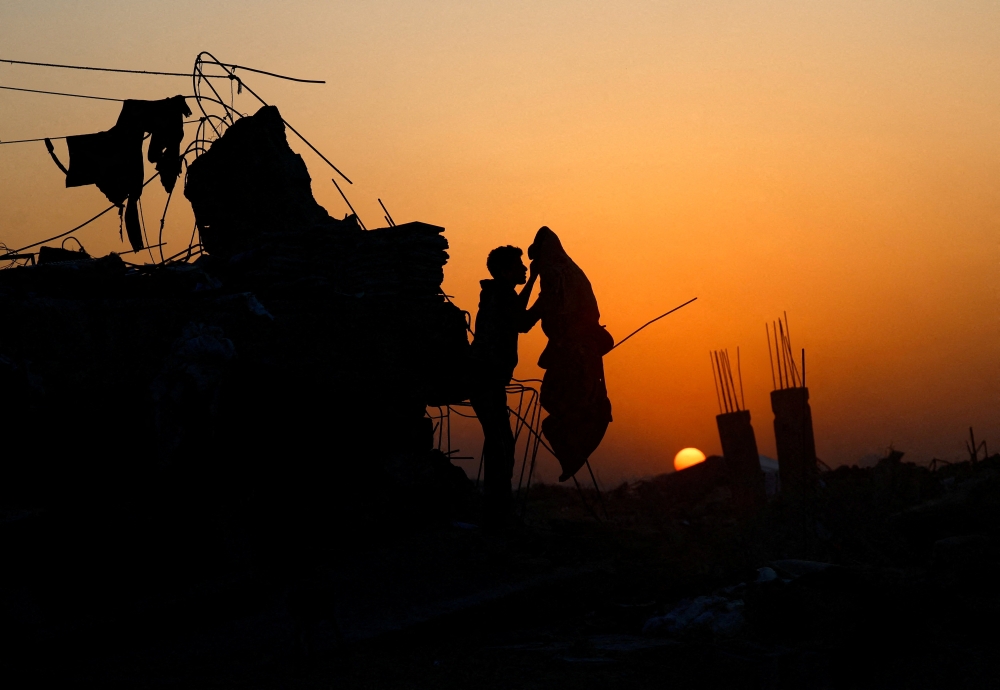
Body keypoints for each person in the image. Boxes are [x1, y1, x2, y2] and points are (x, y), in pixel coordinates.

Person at [527, 226, 613, 482]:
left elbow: (576, 319)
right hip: (570, 354)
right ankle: (571, 455)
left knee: (572, 406)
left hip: (577, 356)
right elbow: (527, 320)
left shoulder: (563, 279)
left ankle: (573, 453)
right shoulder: (559, 283)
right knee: (556, 405)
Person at [469, 245, 540, 527]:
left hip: (488, 380)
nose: (524, 269)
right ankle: (497, 513)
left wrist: (534, 284)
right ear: (503, 270)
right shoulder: (498, 295)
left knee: (500, 442)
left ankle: (497, 509)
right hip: (484, 378)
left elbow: (517, 313)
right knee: (500, 443)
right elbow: (522, 321)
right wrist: (542, 301)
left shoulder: (499, 294)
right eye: (519, 265)